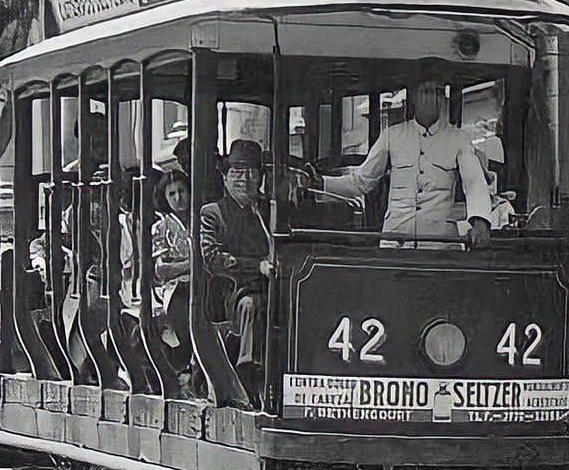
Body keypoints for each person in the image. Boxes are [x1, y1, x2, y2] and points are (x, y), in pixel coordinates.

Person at [307, 62, 493, 245]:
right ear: (414, 98)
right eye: (426, 91)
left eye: (438, 92)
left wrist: (480, 221)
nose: (433, 99)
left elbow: (474, 182)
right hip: (395, 242)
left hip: (439, 244)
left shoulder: (458, 138)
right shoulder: (392, 135)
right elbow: (362, 181)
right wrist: (322, 183)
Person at [200, 139, 272, 402]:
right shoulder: (213, 213)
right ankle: (247, 371)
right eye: (238, 172)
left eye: (252, 172)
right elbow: (211, 259)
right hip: (232, 290)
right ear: (225, 177)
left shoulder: (269, 209)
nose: (245, 179)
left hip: (274, 284)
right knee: (250, 305)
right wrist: (256, 266)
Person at [152, 168, 192, 366]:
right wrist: (189, 265)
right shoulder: (162, 227)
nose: (178, 198)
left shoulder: (202, 219)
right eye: (172, 194)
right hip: (175, 287)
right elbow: (161, 269)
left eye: (182, 191)